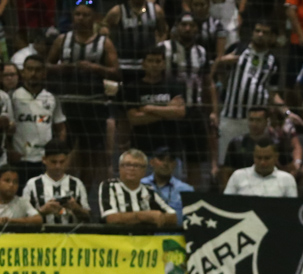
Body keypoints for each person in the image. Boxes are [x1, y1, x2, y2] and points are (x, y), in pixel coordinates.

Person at [47, 0, 119, 186]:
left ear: (94, 18)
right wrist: (65, 68)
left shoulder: (104, 42)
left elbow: (116, 72)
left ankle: (85, 190)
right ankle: (64, 186)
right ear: (72, 16)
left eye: (85, 14)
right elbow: (47, 65)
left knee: (91, 153)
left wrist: (95, 68)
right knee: (66, 150)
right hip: (67, 104)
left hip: (93, 104)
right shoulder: (62, 40)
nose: (81, 18)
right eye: (77, 14)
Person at [159, 12, 218, 187]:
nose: (187, 28)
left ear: (197, 29)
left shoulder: (201, 52)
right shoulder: (163, 48)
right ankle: (168, 196)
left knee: (195, 160)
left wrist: (213, 111)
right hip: (170, 113)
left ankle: (191, 196)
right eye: (183, 25)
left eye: (191, 25)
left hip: (195, 112)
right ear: (176, 27)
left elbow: (207, 83)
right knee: (168, 158)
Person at [214, 20, 279, 166]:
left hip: (258, 121)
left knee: (255, 161)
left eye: (265, 32)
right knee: (225, 162)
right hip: (231, 117)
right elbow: (216, 75)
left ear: (272, 37)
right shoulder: (238, 48)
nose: (260, 35)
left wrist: (285, 112)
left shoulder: (273, 61)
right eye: (257, 31)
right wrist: (223, 62)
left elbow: (273, 93)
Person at [10, 54, 68, 188]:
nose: (33, 73)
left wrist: (58, 151)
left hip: (44, 159)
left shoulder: (52, 98)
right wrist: (10, 150)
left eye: (37, 70)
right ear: (23, 72)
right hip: (20, 158)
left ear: (44, 73)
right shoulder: (13, 97)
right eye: (29, 69)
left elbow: (61, 128)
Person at [123, 46, 186, 158]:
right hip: (142, 147)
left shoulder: (173, 85)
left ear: (163, 64)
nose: (154, 65)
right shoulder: (133, 87)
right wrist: (167, 111)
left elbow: (180, 112)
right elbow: (134, 119)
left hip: (170, 148)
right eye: (150, 61)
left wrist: (150, 109)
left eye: (158, 61)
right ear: (143, 64)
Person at [99, 149, 177, 226]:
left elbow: (173, 217)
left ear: (144, 171)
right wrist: (144, 216)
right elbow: (110, 218)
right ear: (120, 168)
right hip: (117, 238)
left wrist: (160, 217)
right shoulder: (109, 186)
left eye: (136, 166)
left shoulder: (148, 190)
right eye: (127, 164)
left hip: (145, 238)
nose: (131, 169)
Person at [22, 140, 91, 224]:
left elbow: (88, 218)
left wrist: (76, 208)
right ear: (44, 159)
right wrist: (42, 211)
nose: (58, 166)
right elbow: (23, 219)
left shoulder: (77, 184)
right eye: (53, 162)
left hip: (71, 235)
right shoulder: (32, 185)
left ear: (67, 160)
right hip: (41, 235)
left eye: (62, 162)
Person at [101, 0, 169, 74]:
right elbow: (104, 26)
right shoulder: (118, 11)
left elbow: (164, 31)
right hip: (124, 63)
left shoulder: (156, 10)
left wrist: (157, 47)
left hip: (149, 65)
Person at [224, 137, 298, 196]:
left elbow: (292, 208)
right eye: (259, 158)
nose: (262, 162)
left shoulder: (287, 179)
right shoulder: (238, 176)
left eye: (267, 158)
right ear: (253, 157)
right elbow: (226, 203)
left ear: (276, 157)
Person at [219, 106, 269, 188]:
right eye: (251, 120)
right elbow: (226, 172)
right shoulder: (236, 143)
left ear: (266, 122)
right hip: (242, 187)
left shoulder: (276, 142)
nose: (254, 124)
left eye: (258, 120)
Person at [141, 146, 194, 223]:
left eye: (170, 160)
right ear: (151, 162)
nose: (165, 164)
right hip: (147, 233)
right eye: (161, 159)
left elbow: (190, 220)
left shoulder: (186, 190)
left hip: (176, 234)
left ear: (175, 164)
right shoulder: (141, 185)